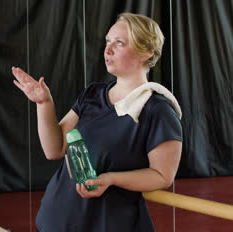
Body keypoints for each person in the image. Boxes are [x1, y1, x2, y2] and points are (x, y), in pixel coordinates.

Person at [12, 13, 182, 231]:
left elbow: (162, 176)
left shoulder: (158, 110)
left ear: (147, 52)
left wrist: (111, 179)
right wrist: (44, 103)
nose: (108, 50)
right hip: (58, 217)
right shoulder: (92, 94)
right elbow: (54, 149)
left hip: (108, 223)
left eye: (119, 43)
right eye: (108, 41)